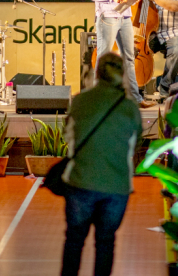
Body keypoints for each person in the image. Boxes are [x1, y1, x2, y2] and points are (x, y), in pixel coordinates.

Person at [60, 52, 144, 276]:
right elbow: (136, 143)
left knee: (74, 240)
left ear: (97, 73)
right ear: (123, 74)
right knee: (106, 242)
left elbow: (67, 134)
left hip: (80, 181)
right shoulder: (129, 107)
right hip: (116, 185)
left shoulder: (80, 100)